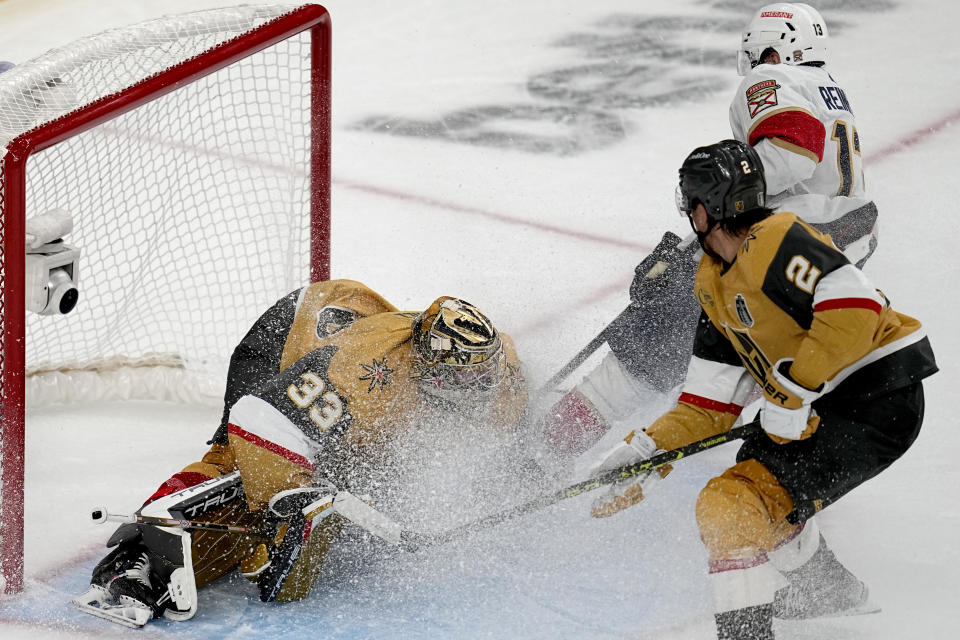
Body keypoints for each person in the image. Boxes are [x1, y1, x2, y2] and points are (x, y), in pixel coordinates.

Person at [587, 140, 936, 638]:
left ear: (704, 210)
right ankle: (829, 589)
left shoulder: (775, 237)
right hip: (828, 407)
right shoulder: (714, 283)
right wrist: (648, 451)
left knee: (730, 504)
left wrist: (793, 391)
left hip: (875, 401)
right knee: (752, 492)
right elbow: (709, 406)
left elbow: (856, 302)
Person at [75, 279, 528, 626]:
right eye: (464, 380)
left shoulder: (494, 366)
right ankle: (140, 558)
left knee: (347, 464)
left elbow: (503, 427)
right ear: (430, 368)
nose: (479, 387)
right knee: (234, 464)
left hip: (339, 339)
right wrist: (287, 499)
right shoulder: (364, 371)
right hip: (283, 344)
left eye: (480, 375)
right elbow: (258, 420)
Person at [536, 2, 879, 459]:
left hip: (769, 257)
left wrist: (704, 216)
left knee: (639, 357)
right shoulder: (829, 91)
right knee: (759, 380)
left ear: (776, 51)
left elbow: (794, 151)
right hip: (826, 260)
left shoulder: (772, 79)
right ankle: (783, 512)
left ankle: (534, 459)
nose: (756, 62)